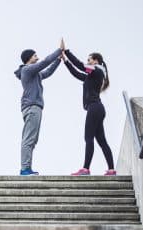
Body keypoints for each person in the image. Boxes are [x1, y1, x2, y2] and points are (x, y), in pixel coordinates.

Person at [61, 43, 116, 176]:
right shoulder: (93, 74)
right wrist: (65, 61)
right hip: (97, 108)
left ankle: (85, 169)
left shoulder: (96, 69)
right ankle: (111, 170)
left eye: (89, 60)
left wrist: (66, 51)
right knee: (101, 140)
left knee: (88, 138)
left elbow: (80, 65)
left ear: (96, 61)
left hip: (94, 107)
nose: (88, 62)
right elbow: (77, 73)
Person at [14, 47, 63, 175]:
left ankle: (27, 168)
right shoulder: (27, 69)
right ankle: (25, 169)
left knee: (32, 140)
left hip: (34, 108)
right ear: (29, 58)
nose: (37, 58)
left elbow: (47, 72)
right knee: (28, 139)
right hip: (32, 107)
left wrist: (58, 60)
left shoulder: (34, 73)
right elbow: (44, 63)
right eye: (35, 56)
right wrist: (59, 50)